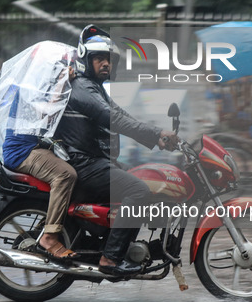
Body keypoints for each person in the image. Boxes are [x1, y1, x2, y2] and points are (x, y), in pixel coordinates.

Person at [55, 25, 178, 275]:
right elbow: (113, 118)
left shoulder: (95, 88)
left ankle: (119, 247)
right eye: (99, 58)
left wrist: (158, 136)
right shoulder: (82, 87)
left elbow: (121, 114)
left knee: (142, 181)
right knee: (138, 189)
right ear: (85, 60)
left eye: (109, 60)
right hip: (85, 164)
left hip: (95, 161)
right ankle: (110, 259)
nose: (105, 64)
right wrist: (155, 134)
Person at [2, 47, 79, 260]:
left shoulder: (41, 85)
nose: (62, 69)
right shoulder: (29, 86)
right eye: (59, 66)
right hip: (22, 151)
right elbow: (47, 112)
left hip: (34, 147)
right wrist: (64, 81)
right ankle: (49, 236)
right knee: (65, 174)